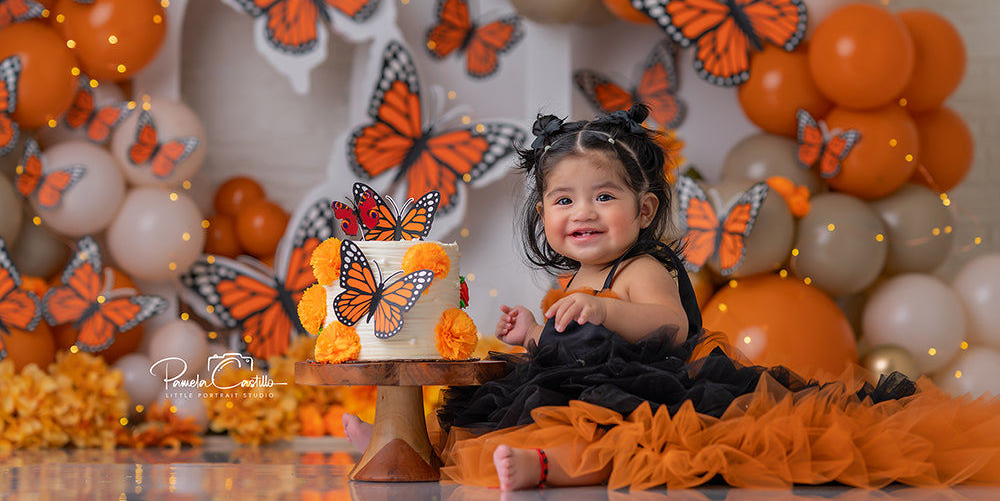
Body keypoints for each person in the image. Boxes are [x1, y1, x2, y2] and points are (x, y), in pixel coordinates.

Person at [344, 104, 1000, 491]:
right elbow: (565, 347)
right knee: (497, 404)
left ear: (645, 207)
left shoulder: (642, 268)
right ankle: (402, 438)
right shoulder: (570, 279)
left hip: (647, 396)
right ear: (542, 211)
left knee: (621, 437)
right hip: (571, 389)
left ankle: (555, 468)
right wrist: (530, 332)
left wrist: (607, 309)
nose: (584, 213)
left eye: (605, 196)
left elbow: (671, 325)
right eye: (564, 200)